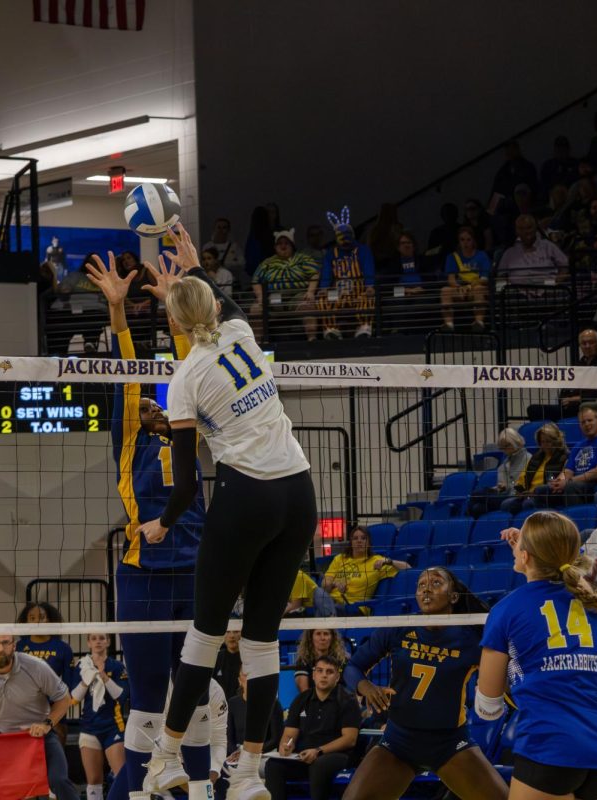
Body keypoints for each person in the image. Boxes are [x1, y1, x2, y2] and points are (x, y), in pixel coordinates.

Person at [139, 224, 316, 800]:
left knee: (206, 634)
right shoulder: (240, 331)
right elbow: (226, 302)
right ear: (212, 304)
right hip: (300, 492)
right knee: (264, 640)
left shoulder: (184, 379)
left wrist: (161, 523)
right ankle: (248, 774)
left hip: (249, 496)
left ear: (173, 323)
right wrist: (193, 269)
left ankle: (163, 758)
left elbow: (187, 482)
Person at [84, 252, 210, 797]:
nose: (158, 406)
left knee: (198, 697)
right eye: (152, 404)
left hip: (198, 575)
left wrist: (177, 312)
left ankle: (200, 791)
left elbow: (191, 369)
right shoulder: (129, 442)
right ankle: (136, 793)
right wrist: (119, 314)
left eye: (167, 403)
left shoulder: (191, 435)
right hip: (145, 576)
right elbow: (129, 382)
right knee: (149, 699)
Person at [476, 513, 597, 800]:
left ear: (525, 556)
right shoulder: (594, 604)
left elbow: (488, 707)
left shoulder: (506, 611)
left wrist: (514, 683)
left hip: (549, 746)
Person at [343, 567, 506, 800]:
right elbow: (352, 668)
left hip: (450, 744)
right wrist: (366, 687)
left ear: (453, 596)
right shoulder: (399, 629)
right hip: (398, 743)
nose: (426, 588)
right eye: (421, 585)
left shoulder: (471, 640)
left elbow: (504, 680)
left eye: (436, 583)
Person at [0, 633, 76, 800]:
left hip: (39, 736)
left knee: (60, 781)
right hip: (3, 738)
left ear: (14, 645)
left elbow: (64, 699)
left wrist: (47, 724)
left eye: (6, 643)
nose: (1, 649)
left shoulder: (36, 667)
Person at [266, 657, 359, 800]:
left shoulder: (348, 700)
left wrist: (318, 751)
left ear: (337, 677)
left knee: (319, 764)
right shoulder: (301, 699)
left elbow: (350, 739)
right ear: (314, 675)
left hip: (336, 755)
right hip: (304, 755)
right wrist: (286, 746)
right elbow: (289, 734)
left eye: (329, 672)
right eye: (320, 671)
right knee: (273, 765)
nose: (324, 675)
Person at [71, 633, 128, 800]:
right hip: (89, 727)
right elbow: (74, 699)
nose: (98, 642)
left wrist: (103, 676)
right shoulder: (82, 667)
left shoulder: (117, 667)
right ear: (88, 642)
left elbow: (121, 696)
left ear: (108, 642)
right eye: (94, 638)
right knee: (94, 780)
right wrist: (85, 681)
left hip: (113, 727)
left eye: (102, 638)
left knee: (121, 776)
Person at [530, 406, 597, 507]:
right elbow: (568, 471)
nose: (586, 424)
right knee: (541, 490)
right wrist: (559, 481)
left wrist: (570, 481)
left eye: (589, 420)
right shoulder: (578, 445)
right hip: (574, 483)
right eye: (583, 422)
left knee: (571, 487)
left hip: (595, 485)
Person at [526, 328, 597, 420]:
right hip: (569, 406)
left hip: (588, 406)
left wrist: (579, 398)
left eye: (591, 342)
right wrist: (564, 399)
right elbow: (566, 387)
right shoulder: (578, 364)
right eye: (584, 343)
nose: (587, 346)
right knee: (533, 410)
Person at [316, 208, 375, 339]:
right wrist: (324, 289)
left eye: (347, 236)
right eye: (341, 237)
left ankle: (364, 327)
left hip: (359, 291)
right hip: (337, 293)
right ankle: (331, 329)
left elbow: (368, 269)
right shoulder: (331, 253)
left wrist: (370, 286)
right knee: (323, 300)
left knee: (368, 298)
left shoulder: (363, 250)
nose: (345, 240)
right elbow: (326, 273)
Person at [250, 228, 319, 340]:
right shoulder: (267, 262)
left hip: (298, 296)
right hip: (274, 298)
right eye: (280, 243)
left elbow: (314, 274)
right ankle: (257, 343)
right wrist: (260, 296)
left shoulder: (302, 258)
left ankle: (312, 339)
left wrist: (310, 292)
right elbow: (256, 280)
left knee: (308, 305)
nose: (283, 246)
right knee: (256, 309)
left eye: (286, 243)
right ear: (275, 247)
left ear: (292, 245)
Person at [321, 525, 409, 611]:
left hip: (353, 607)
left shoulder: (377, 561)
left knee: (322, 611)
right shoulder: (340, 559)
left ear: (369, 543)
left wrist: (390, 561)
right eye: (355, 538)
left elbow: (408, 568)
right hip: (329, 601)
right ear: (351, 542)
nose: (359, 541)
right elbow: (325, 585)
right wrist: (334, 584)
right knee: (317, 594)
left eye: (363, 538)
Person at [502, 423, 569, 514]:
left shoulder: (563, 457)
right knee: (506, 504)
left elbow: (554, 482)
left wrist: (534, 493)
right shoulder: (536, 457)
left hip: (545, 496)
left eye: (548, 441)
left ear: (556, 441)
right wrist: (520, 491)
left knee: (528, 504)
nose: (544, 445)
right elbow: (523, 478)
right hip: (528, 495)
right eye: (542, 442)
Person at [439, 227, 491, 331]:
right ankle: (448, 324)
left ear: (473, 241)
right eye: (462, 240)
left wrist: (469, 286)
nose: (465, 243)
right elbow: (451, 279)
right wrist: (459, 287)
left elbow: (484, 279)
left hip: (475, 288)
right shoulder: (452, 257)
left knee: (479, 289)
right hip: (460, 289)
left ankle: (479, 322)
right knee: (445, 291)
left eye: (468, 240)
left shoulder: (482, 255)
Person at [497, 214, 568, 285]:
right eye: (521, 228)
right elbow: (501, 276)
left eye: (529, 227)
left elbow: (565, 266)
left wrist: (555, 282)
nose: (526, 231)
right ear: (516, 231)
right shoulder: (509, 253)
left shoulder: (548, 246)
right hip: (518, 293)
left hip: (548, 292)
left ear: (535, 228)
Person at [14, 601, 73, 681]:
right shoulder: (18, 646)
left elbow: (68, 682)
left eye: (42, 617)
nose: (37, 622)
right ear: (26, 622)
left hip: (53, 692)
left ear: (49, 620)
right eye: (32, 618)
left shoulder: (63, 648)